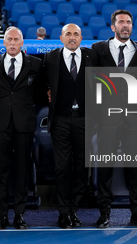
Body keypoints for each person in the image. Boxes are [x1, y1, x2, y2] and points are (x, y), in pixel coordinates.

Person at [91, 10, 137, 228]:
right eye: (121, 22)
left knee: (135, 167)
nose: (126, 26)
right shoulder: (98, 49)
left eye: (129, 22)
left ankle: (136, 212)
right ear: (113, 27)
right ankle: (104, 213)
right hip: (107, 119)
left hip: (134, 118)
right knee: (105, 166)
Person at [43, 23, 98, 228]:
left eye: (76, 34)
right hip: (61, 120)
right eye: (68, 34)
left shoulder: (92, 57)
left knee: (82, 167)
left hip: (85, 119)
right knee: (62, 167)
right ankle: (63, 212)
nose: (72, 37)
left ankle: (74, 209)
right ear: (61, 38)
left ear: (81, 38)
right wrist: (48, 92)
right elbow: (42, 83)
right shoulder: (50, 58)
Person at [0, 26, 42, 230]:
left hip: (24, 124)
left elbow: (38, 93)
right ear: (4, 42)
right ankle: (2, 215)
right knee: (0, 171)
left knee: (21, 171)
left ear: (22, 43)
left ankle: (19, 214)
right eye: (8, 39)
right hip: (1, 124)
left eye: (16, 39)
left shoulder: (35, 64)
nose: (12, 43)